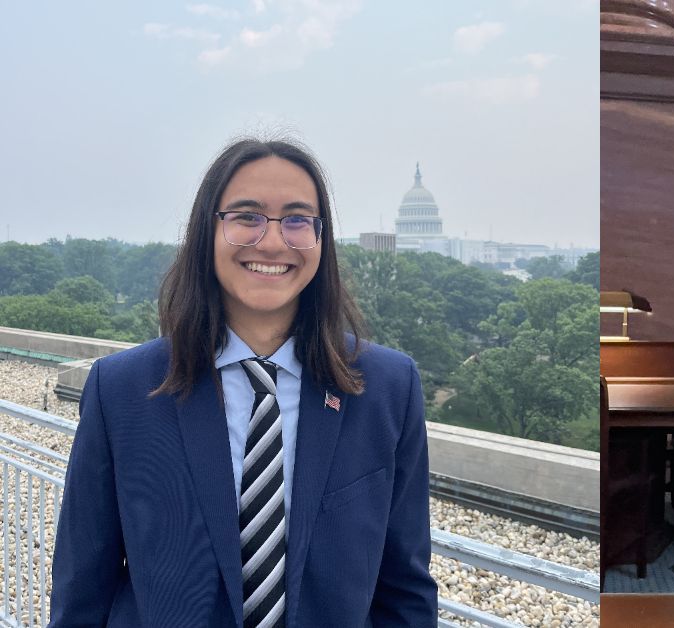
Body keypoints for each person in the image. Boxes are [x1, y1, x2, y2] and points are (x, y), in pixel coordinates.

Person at [50, 138, 438, 627]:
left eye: (297, 219)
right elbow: (82, 591)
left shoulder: (386, 388)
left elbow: (404, 590)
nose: (273, 242)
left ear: (322, 239)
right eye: (247, 217)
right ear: (207, 233)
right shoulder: (123, 390)